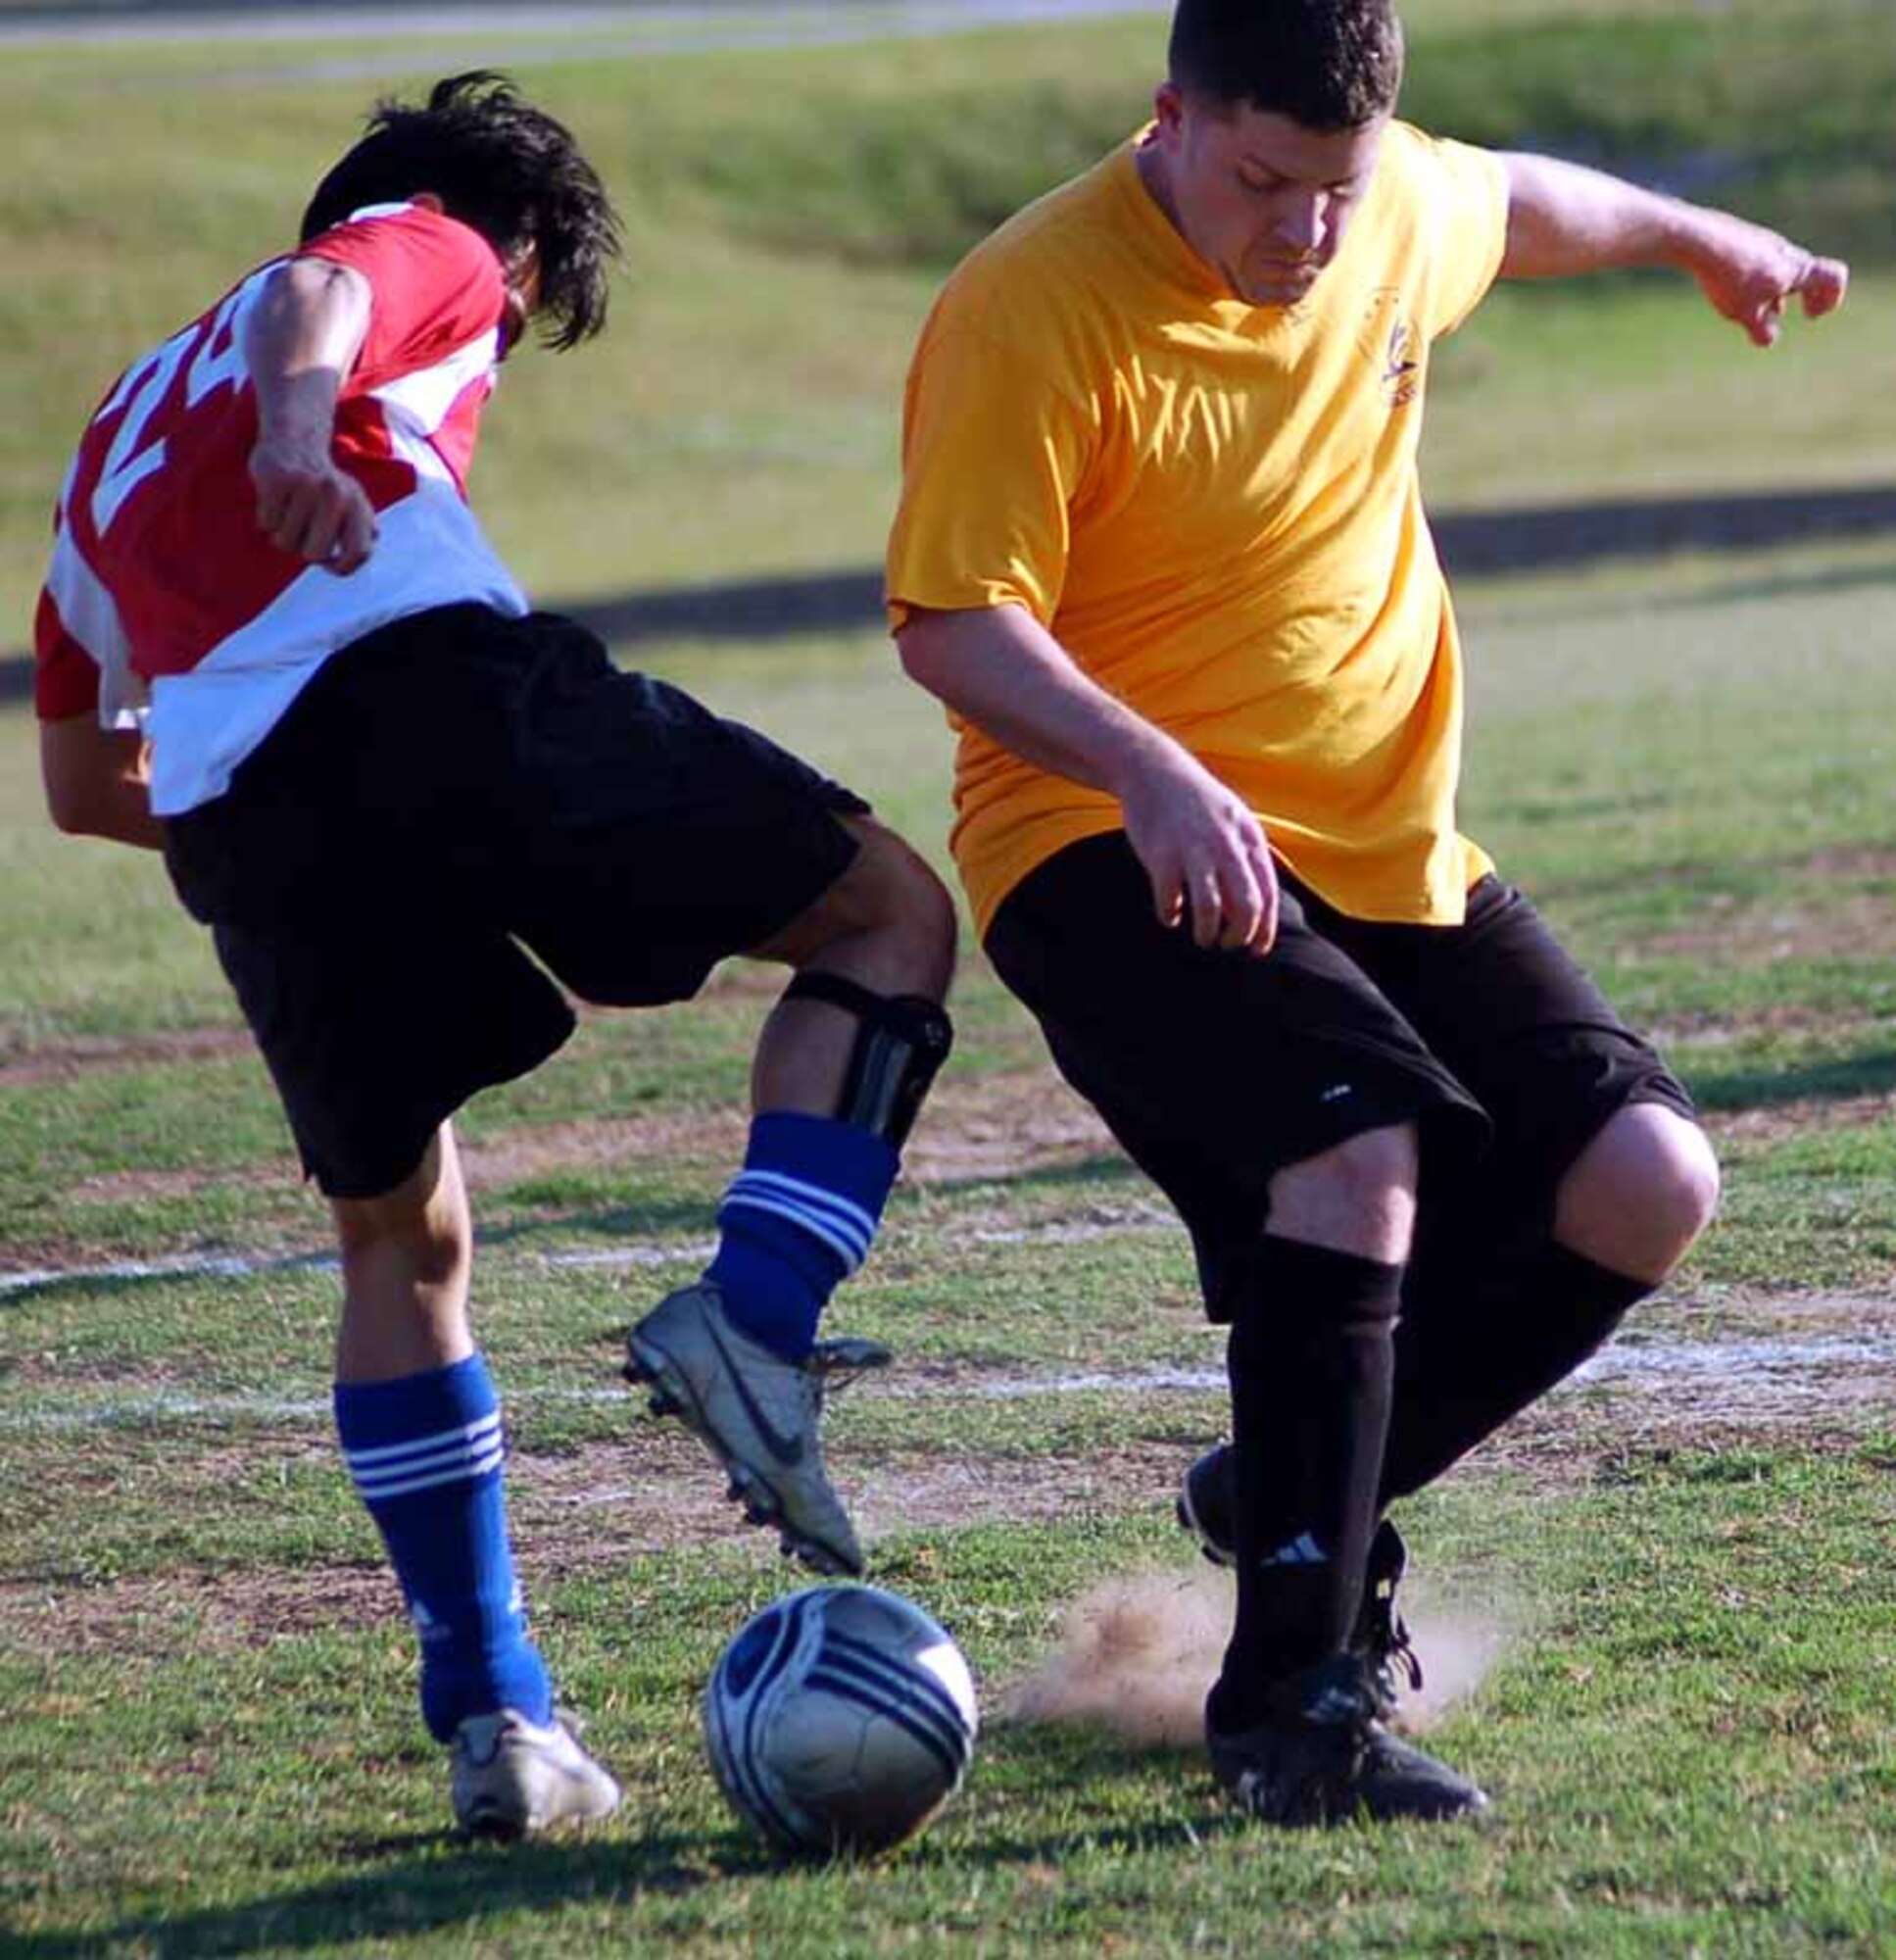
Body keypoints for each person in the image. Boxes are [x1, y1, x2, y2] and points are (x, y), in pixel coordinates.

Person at [887, 0, 1847, 1826]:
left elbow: (1521, 204)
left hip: (1388, 845)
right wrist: (1153, 769)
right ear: (1170, 118)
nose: (1309, 231)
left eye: (1336, 188)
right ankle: (1290, 1712)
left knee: (1649, 1181)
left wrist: (1703, 236)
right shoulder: (1032, 302)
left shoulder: (1384, 195)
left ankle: (1283, 1502)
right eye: (1263, 183)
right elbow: (951, 618)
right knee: (1360, 1159)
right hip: (1099, 834)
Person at [36, 73, 956, 1839]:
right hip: (437, 687)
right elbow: (325, 295)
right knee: (888, 913)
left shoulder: (102, 447)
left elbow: (86, 785)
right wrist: (305, 443)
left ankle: (502, 1722)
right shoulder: (433, 244)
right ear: (509, 259)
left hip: (245, 819)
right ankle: (759, 1327)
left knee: (403, 1236)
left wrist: (274, 816)